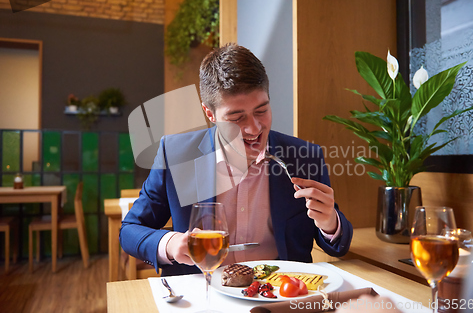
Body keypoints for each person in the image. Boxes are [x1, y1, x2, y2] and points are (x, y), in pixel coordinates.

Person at [120, 44, 353, 276]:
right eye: (237, 117)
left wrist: (330, 222)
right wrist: (169, 244)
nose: (254, 128)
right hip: (201, 293)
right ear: (210, 114)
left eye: (261, 110)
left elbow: (336, 244)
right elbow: (130, 230)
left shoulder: (305, 156)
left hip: (282, 293)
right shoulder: (175, 155)